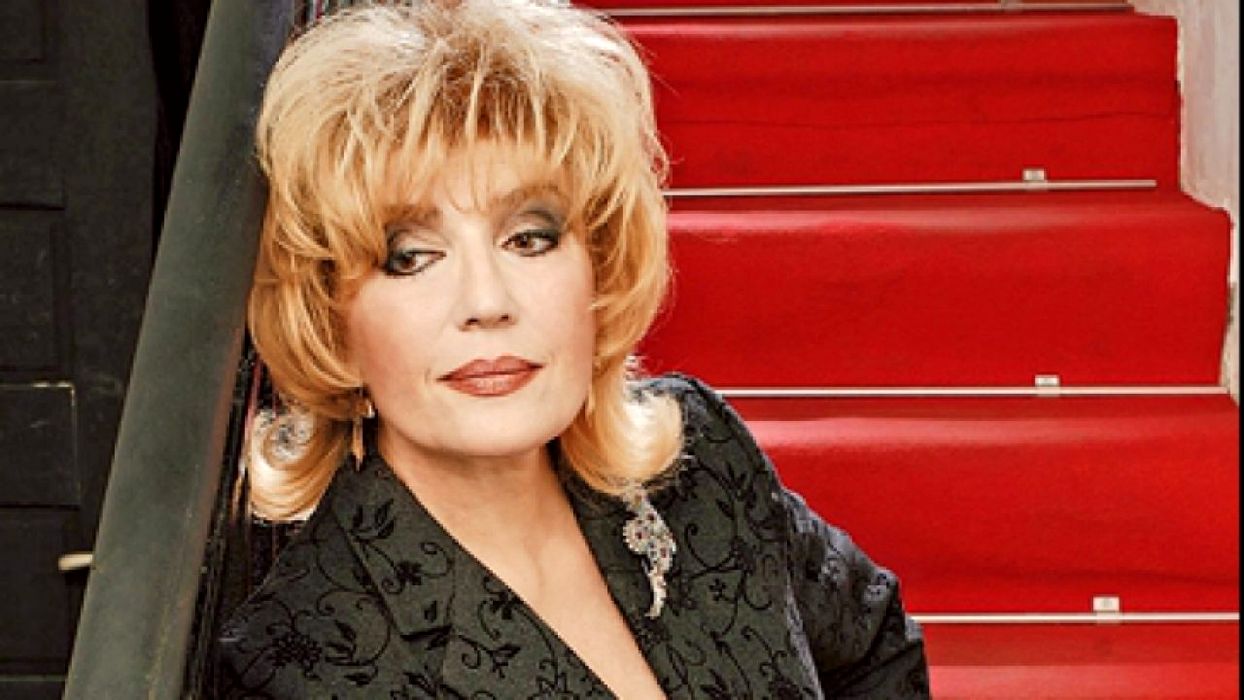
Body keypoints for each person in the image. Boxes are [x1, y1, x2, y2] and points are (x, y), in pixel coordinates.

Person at [217, 2, 930, 697]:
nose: (487, 300)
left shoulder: (703, 459)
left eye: (528, 238)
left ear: (598, 265)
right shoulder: (304, 660)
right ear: (330, 318)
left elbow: (874, 646)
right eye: (411, 257)